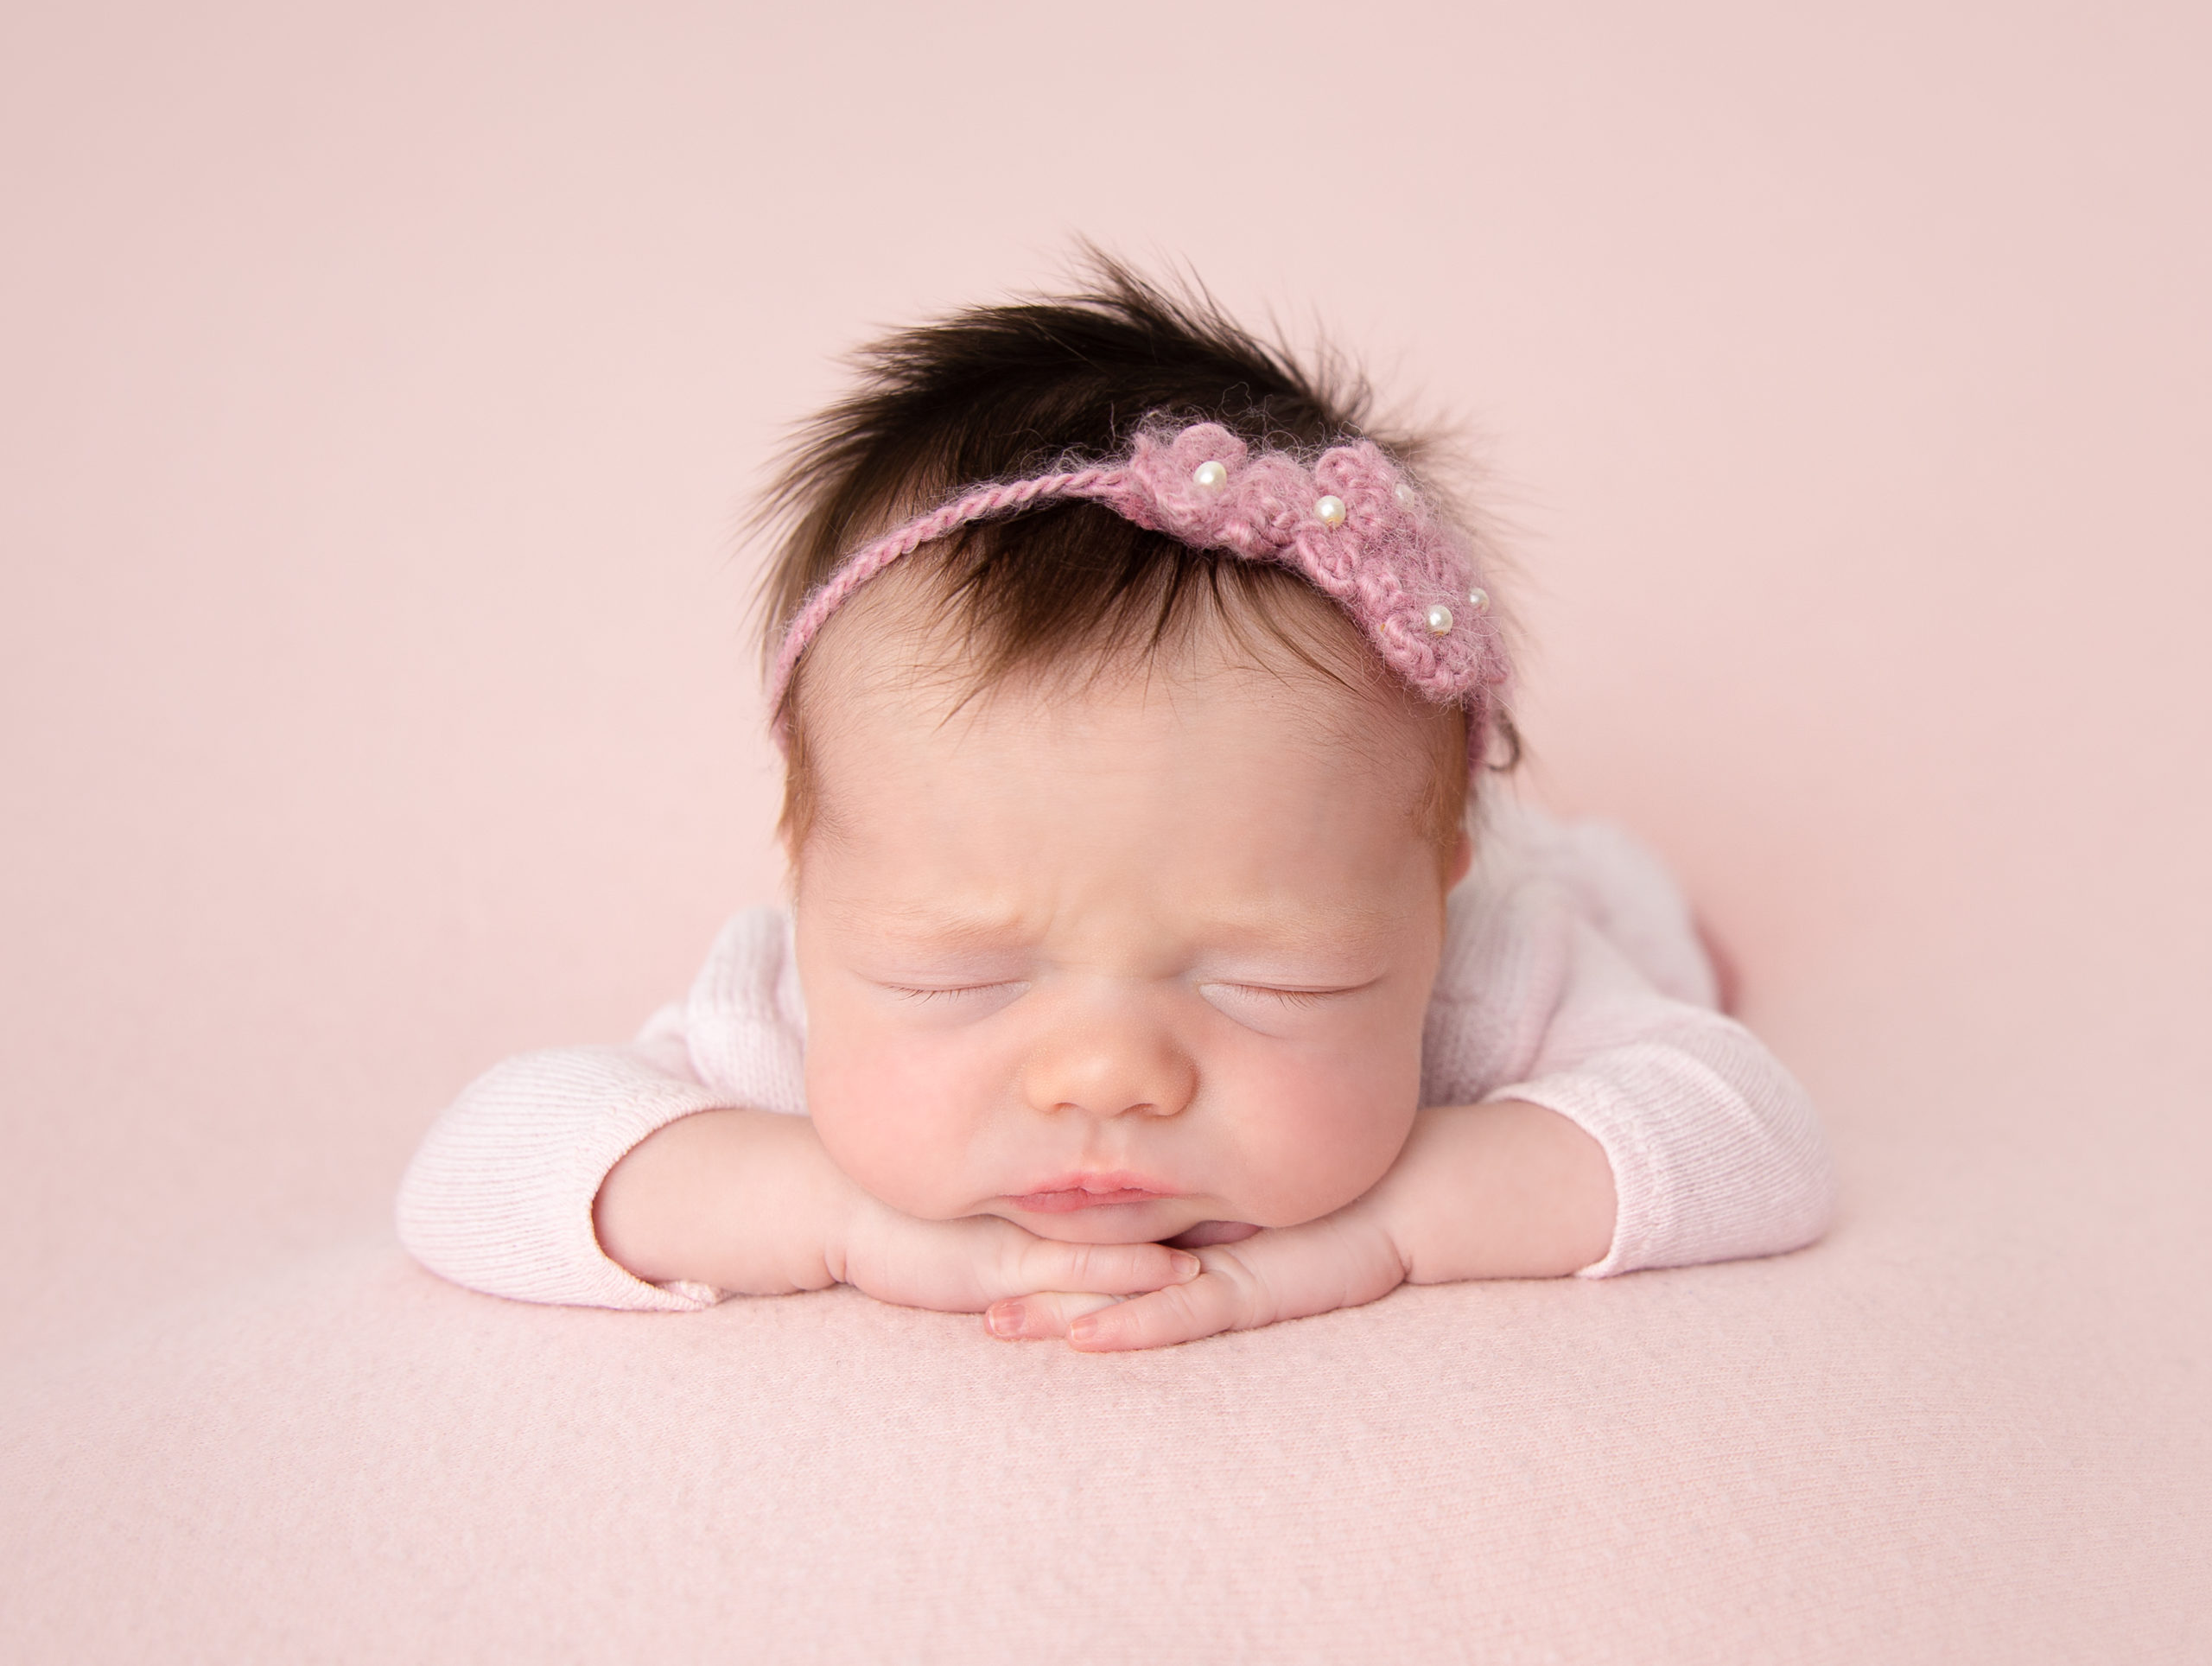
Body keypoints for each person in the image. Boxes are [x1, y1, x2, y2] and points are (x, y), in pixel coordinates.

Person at [397, 258, 1834, 1351]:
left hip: (1564, 886)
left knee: (1638, 927)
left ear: (1427, 894)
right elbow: (472, 1170)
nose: (1103, 1075)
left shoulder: (1496, 972)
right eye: (951, 975)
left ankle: (1617, 889)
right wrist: (825, 1212)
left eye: (1277, 979)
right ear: (811, 878)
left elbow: (1757, 1142)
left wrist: (1402, 1221)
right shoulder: (779, 1021)